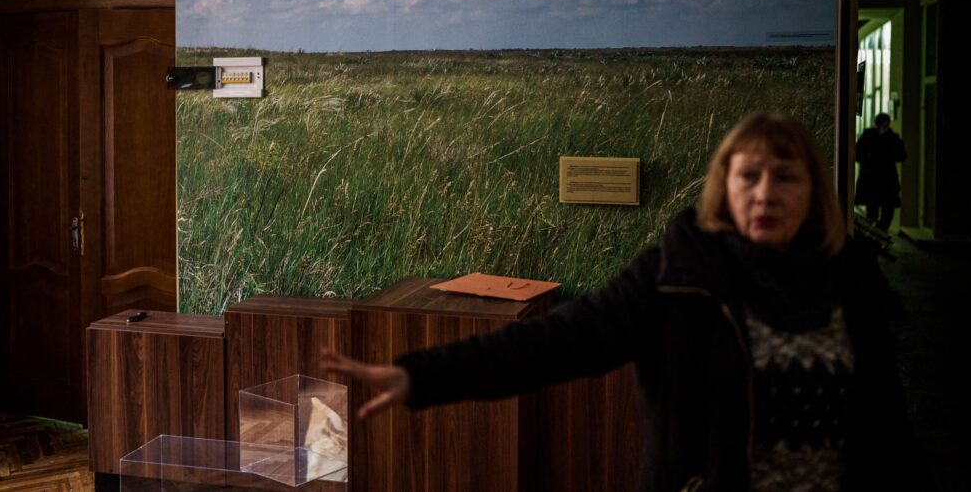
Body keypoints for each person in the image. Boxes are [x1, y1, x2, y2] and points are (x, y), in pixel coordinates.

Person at [322, 112, 926, 491]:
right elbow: (556, 342)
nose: (766, 192)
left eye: (786, 177)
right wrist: (418, 375)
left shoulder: (849, 282)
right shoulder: (679, 276)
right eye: (750, 175)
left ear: (815, 190)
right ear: (725, 185)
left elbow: (887, 426)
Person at [854, 113, 907, 232]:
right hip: (876, 179)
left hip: (884, 180)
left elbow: (902, 155)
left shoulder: (891, 138)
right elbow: (857, 154)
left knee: (885, 210)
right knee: (874, 209)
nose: (884, 128)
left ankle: (879, 232)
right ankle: (876, 233)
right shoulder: (871, 137)